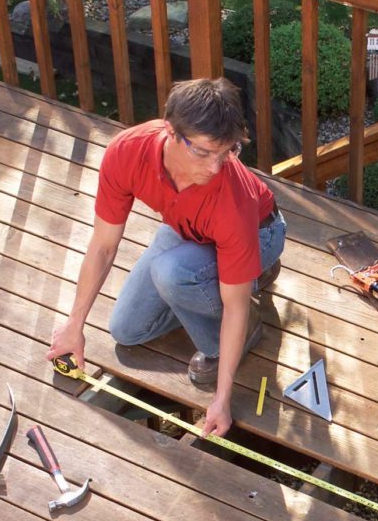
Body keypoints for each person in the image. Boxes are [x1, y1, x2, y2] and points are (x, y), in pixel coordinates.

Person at [46, 77, 286, 439]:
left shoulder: (232, 199)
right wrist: (73, 325)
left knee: (173, 273)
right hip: (187, 229)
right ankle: (223, 278)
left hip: (259, 232)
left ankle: (245, 316)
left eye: (227, 152)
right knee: (127, 330)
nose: (214, 167)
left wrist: (222, 398)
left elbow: (234, 306)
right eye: (203, 152)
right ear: (170, 131)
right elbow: (103, 246)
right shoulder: (127, 151)